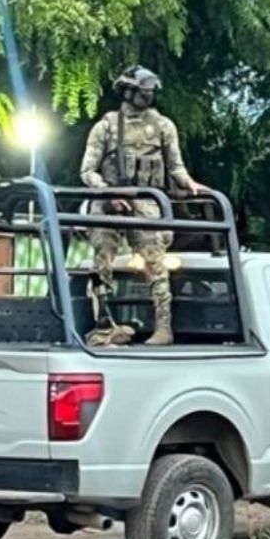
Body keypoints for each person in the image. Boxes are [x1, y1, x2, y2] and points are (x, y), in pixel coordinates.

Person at [80, 65, 208, 345]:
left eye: (150, 93)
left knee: (156, 262)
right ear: (128, 91)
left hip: (147, 199)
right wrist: (107, 193)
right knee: (101, 259)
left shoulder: (163, 126)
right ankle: (103, 325)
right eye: (142, 92)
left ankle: (163, 328)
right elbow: (88, 170)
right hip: (108, 201)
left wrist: (191, 185)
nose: (148, 97)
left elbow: (176, 167)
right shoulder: (107, 126)